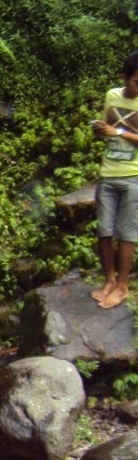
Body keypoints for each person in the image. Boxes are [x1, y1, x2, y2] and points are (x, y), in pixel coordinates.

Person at [90, 51, 138, 310]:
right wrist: (101, 129)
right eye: (136, 82)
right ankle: (108, 280)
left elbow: (118, 131)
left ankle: (122, 285)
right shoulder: (112, 95)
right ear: (125, 78)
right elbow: (108, 129)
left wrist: (118, 130)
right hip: (108, 171)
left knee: (126, 233)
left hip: (133, 174)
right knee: (104, 230)